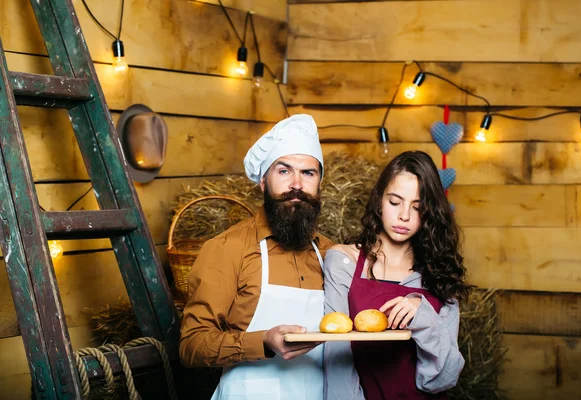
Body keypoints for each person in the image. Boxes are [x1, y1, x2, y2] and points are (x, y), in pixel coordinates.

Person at [179, 114, 334, 400]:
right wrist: (262, 341)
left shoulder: (331, 255)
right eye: (284, 171)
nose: (296, 184)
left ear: (320, 183)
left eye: (308, 173)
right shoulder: (227, 248)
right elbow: (191, 345)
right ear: (263, 181)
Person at [323, 151, 471, 400]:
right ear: (379, 200)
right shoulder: (343, 261)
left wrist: (423, 316)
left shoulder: (440, 276)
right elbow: (335, 357)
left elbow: (443, 379)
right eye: (395, 202)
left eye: (418, 207)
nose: (404, 215)